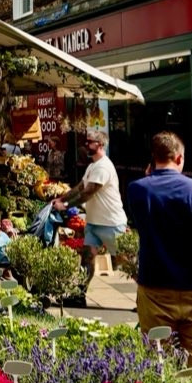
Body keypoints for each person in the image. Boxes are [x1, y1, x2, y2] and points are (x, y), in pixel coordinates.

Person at [128, 131, 192, 383]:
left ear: (153, 160)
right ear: (180, 157)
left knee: (158, 353)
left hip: (154, 288)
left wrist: (148, 177)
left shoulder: (137, 189)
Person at [53, 128, 126, 307]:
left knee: (124, 261)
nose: (86, 145)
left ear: (100, 145)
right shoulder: (93, 166)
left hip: (111, 222)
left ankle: (144, 297)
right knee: (87, 257)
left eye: (90, 142)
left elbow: (88, 193)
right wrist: (61, 197)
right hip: (94, 222)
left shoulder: (103, 167)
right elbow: (79, 187)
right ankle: (80, 294)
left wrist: (66, 205)